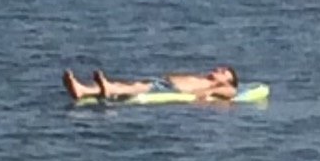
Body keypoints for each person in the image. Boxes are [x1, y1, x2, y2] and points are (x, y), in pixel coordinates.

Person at [61, 66, 240, 102]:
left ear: (228, 80)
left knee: (132, 88)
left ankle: (104, 88)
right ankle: (82, 90)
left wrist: (207, 95)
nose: (218, 70)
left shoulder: (222, 87)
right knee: (124, 86)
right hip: (160, 82)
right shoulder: (203, 78)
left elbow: (231, 93)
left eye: (223, 72)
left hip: (168, 89)